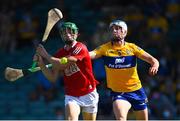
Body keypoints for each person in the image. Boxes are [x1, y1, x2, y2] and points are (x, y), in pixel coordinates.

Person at [90, 20, 159, 120]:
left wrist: (154, 66)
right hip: (119, 93)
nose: (114, 30)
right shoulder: (104, 49)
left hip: (137, 92)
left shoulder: (132, 48)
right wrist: (78, 53)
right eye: (112, 29)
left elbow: (153, 60)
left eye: (118, 28)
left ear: (125, 32)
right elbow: (89, 55)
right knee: (121, 118)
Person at [34, 22, 99, 120]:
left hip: (88, 92)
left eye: (71, 32)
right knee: (70, 119)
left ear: (77, 34)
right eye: (65, 32)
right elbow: (52, 78)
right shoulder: (59, 54)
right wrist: (41, 64)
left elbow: (62, 64)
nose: (68, 34)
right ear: (61, 36)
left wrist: (45, 54)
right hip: (71, 95)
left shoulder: (81, 48)